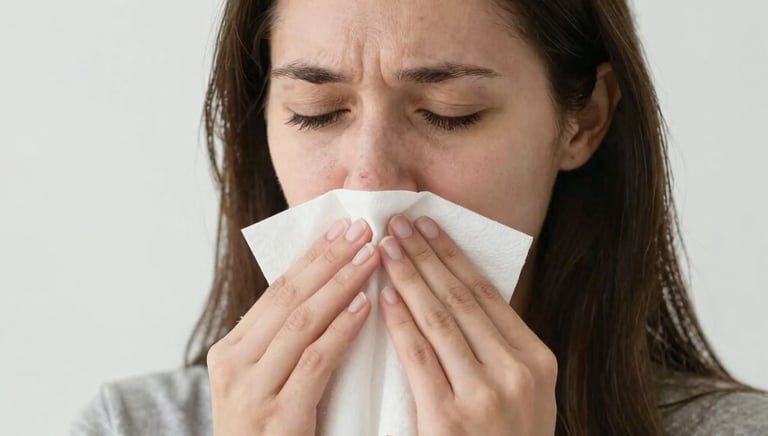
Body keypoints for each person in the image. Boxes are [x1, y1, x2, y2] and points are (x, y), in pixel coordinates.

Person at [71, 0, 768, 435]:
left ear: (581, 120)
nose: (371, 180)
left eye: (449, 114)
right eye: (316, 114)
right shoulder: (130, 427)